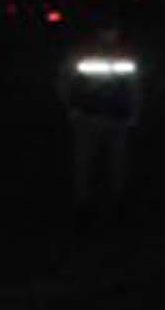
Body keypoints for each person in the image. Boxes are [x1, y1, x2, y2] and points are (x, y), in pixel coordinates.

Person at [58, 28, 143, 225]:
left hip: (115, 118)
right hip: (89, 117)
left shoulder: (125, 55)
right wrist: (70, 109)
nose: (110, 34)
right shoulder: (83, 54)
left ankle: (115, 202)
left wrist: (134, 113)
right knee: (85, 162)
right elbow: (64, 81)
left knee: (115, 162)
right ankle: (83, 205)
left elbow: (135, 87)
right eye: (107, 30)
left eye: (113, 30)